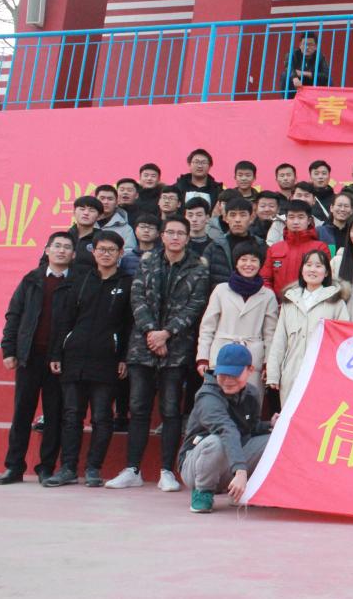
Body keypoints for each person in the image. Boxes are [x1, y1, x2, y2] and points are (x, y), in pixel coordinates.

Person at [106, 216, 209, 492]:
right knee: (138, 408)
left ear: (187, 238)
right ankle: (132, 469)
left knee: (171, 409)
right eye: (170, 232)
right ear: (162, 236)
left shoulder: (198, 268)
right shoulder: (147, 262)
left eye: (180, 233)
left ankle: (167, 471)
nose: (175, 237)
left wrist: (167, 333)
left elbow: (195, 306)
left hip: (177, 349)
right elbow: (137, 299)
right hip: (143, 346)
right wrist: (152, 332)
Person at [41, 231, 131, 488]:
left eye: (111, 250)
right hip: (74, 357)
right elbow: (65, 320)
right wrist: (57, 352)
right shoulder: (80, 280)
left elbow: (129, 325)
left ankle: (93, 468)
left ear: (120, 254)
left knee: (102, 417)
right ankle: (68, 468)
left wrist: (123, 357)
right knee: (71, 416)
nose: (105, 254)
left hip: (107, 360)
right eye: (101, 249)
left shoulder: (127, 283)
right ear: (93, 252)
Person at [0, 232, 79, 486]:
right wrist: (9, 350)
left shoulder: (77, 284)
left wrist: (63, 355)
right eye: (57, 246)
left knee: (54, 415)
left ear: (74, 254)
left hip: (59, 361)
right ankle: (14, 466)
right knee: (22, 412)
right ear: (47, 250)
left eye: (67, 247)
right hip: (29, 357)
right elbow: (14, 315)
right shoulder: (31, 279)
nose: (61, 250)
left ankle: (46, 467)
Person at [179, 343, 275, 513]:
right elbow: (226, 429)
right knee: (217, 441)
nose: (228, 380)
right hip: (196, 466)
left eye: (234, 374)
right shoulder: (207, 396)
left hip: (231, 464)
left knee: (274, 440)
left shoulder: (252, 394)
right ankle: (203, 492)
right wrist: (240, 471)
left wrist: (271, 425)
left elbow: (250, 429)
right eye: (223, 374)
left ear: (250, 370)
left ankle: (240, 491)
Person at [196, 242, 278, 403]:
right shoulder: (221, 290)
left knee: (249, 404)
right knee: (217, 402)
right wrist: (203, 358)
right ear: (236, 263)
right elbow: (207, 327)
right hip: (221, 356)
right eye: (244, 259)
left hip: (252, 358)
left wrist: (268, 363)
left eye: (253, 260)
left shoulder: (268, 295)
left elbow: (270, 334)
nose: (248, 264)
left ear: (260, 264)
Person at [266, 251, 350, 406]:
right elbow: (279, 340)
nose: (312, 270)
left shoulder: (336, 302)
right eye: (308, 265)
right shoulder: (290, 301)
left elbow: (344, 343)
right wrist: (273, 374)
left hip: (323, 373)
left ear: (326, 272)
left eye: (318, 266)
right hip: (292, 371)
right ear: (302, 270)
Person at [261, 200, 330, 298]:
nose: (295, 222)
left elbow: (325, 278)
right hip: (279, 304)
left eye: (301, 217)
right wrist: (272, 300)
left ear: (309, 220)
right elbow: (265, 278)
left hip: (310, 303)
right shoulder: (275, 249)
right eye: (291, 217)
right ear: (286, 221)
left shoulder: (320, 247)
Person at [204, 196, 266, 287]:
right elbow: (203, 279)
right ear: (225, 218)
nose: (237, 220)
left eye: (243, 215)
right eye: (233, 215)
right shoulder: (214, 247)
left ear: (251, 218)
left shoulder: (261, 246)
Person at [285, 31, 330, 97]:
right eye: (304, 44)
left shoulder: (319, 57)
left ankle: (322, 98)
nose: (307, 47)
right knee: (285, 76)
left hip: (312, 83)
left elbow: (326, 75)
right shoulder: (293, 54)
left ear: (315, 47)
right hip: (298, 83)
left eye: (310, 45)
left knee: (328, 80)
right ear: (300, 46)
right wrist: (294, 78)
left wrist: (304, 73)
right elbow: (288, 67)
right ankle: (288, 99)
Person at [95, 184, 137, 253]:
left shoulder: (125, 229)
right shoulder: (87, 224)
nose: (106, 202)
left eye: (110, 199)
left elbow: (129, 253)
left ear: (117, 202)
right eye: (102, 198)